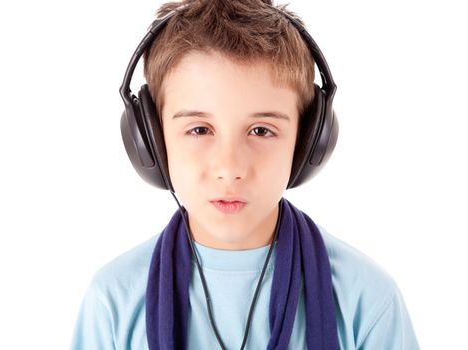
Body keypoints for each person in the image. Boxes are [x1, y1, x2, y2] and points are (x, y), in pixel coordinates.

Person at [70, 0, 420, 349]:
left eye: (261, 131)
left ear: (308, 144)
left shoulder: (368, 301)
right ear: (151, 142)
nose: (230, 169)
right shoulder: (112, 303)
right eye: (199, 130)